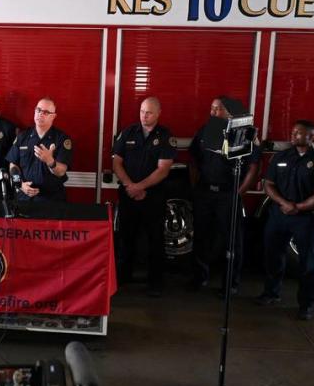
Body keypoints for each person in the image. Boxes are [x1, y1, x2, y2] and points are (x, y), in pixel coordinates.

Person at [255, 120, 314, 320]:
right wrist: (283, 203)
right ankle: (271, 293)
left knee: (307, 262)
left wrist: (298, 207)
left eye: (299, 133)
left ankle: (306, 304)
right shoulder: (281, 157)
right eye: (293, 131)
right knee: (272, 256)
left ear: (311, 137)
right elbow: (268, 184)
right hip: (278, 214)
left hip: (304, 218)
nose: (293, 135)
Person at [189, 96, 260, 297]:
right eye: (211, 108)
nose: (213, 113)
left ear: (230, 113)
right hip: (205, 192)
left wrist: (239, 192)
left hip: (227, 194)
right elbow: (194, 160)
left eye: (217, 109)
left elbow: (253, 167)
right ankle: (199, 278)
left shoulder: (242, 134)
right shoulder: (206, 130)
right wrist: (196, 188)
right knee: (202, 237)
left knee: (231, 241)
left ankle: (230, 284)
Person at [111, 97, 175, 297]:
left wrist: (140, 187)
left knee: (155, 240)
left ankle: (155, 282)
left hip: (153, 197)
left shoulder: (165, 136)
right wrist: (131, 186)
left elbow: (163, 169)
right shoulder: (128, 132)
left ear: (158, 113)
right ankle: (123, 276)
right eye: (141, 111)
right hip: (129, 195)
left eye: (148, 112)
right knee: (126, 237)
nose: (143, 115)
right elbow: (116, 162)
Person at [6, 98, 72, 202]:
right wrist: (19, 184)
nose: (40, 114)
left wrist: (50, 161)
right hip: (24, 197)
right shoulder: (22, 136)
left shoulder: (61, 139)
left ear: (53, 116)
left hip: (52, 199)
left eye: (45, 112)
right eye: (38, 110)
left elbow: (62, 171)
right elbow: (13, 165)